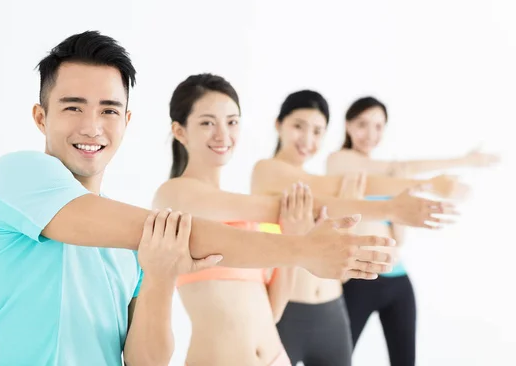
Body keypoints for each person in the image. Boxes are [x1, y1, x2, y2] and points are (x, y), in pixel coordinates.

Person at [0, 31, 400, 366]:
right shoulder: (17, 175)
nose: (93, 126)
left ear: (127, 120)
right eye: (73, 107)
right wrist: (300, 248)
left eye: (109, 110)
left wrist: (158, 276)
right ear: (41, 117)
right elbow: (175, 229)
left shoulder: (137, 246)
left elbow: (145, 360)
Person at [152, 75, 460, 365]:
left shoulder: (244, 213)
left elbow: (271, 310)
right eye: (207, 122)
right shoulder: (175, 196)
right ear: (179, 131)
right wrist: (390, 206)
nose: (223, 134)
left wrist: (297, 237)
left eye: (232, 122)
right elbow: (290, 205)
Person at [250, 90, 467, 366]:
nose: (307, 139)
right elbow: (361, 185)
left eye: (318, 132)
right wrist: (425, 185)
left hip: (333, 311)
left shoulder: (320, 183)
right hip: (288, 310)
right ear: (278, 124)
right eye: (298, 126)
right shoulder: (267, 171)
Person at [326, 96, 499, 366]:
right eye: (362, 124)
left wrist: (401, 209)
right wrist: (459, 161)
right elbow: (399, 168)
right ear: (347, 125)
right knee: (337, 359)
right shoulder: (339, 163)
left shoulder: (390, 176)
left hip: (398, 281)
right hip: (359, 280)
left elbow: (399, 239)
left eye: (378, 126)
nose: (370, 134)